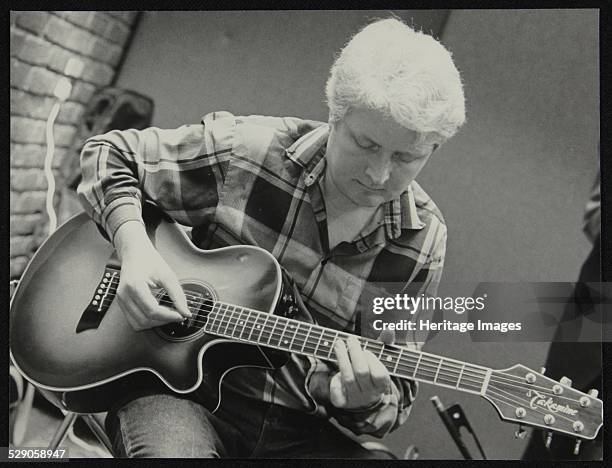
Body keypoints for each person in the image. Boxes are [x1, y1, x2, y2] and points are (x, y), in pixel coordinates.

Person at [77, 17, 465, 458]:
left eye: (405, 158)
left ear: (432, 150)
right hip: (176, 391)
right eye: (367, 144)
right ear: (335, 115)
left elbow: (395, 398)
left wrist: (363, 399)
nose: (379, 174)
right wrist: (134, 251)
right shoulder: (250, 149)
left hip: (295, 426)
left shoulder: (424, 241)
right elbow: (108, 154)